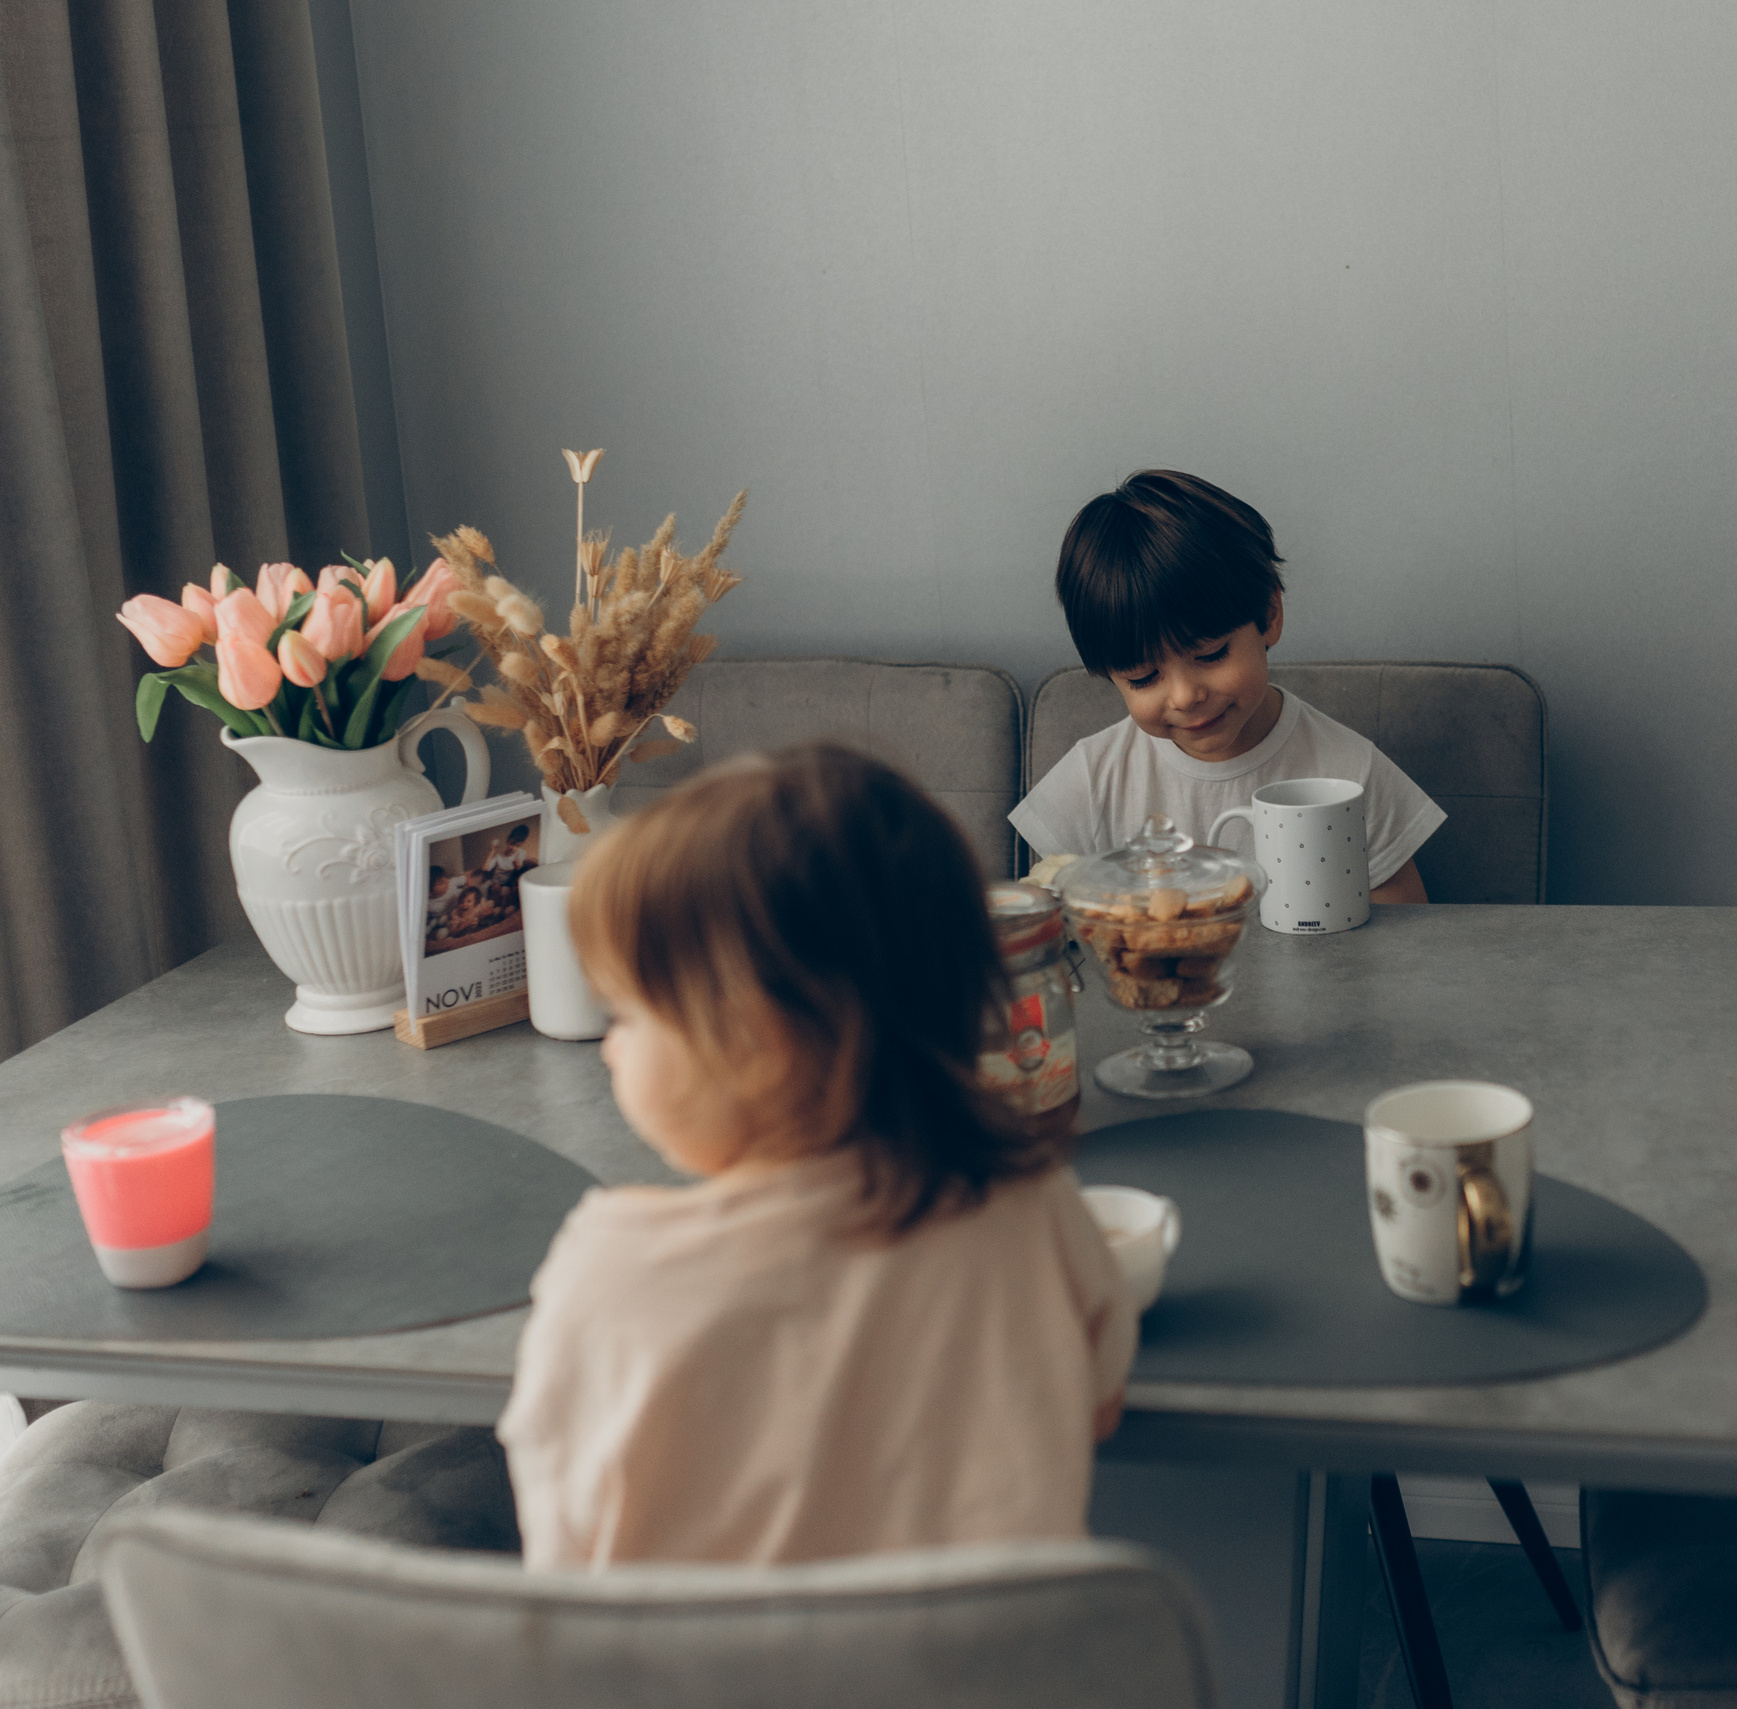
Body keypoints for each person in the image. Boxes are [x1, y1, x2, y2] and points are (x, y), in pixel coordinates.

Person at [496, 744, 1135, 1567]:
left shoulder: (610, 1272)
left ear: (756, 1042)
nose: (609, 1051)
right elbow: (1099, 1405)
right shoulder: (1032, 1204)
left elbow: (564, 1560)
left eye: (627, 1016)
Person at [1009, 469, 1443, 901]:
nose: (1185, 696)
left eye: (1211, 654)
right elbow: (1047, 928)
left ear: (1270, 615)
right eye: (1143, 678)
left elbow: (1403, 932)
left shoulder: (1350, 772)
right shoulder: (1091, 780)